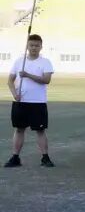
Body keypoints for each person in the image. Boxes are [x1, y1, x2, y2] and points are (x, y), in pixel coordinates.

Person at [5, 33, 55, 168]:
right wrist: (15, 94)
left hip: (38, 102)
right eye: (31, 45)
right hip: (21, 102)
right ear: (27, 46)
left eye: (37, 46)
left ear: (41, 47)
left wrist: (27, 75)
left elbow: (46, 80)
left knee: (40, 130)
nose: (34, 48)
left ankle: (45, 157)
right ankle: (15, 157)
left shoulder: (45, 62)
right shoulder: (19, 62)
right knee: (19, 129)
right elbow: (10, 81)